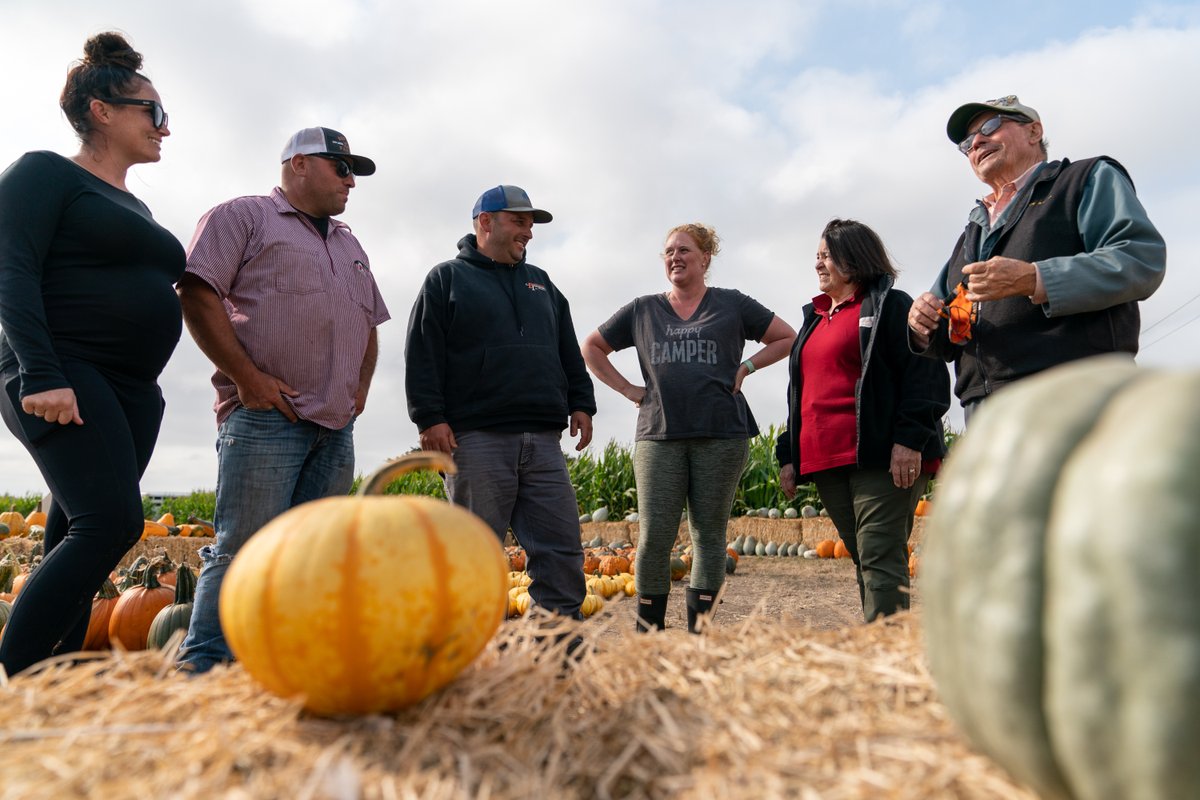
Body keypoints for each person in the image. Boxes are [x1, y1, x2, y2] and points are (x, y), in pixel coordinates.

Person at [0, 33, 183, 675]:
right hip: (62, 370)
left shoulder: (133, 204)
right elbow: (11, 269)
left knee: (73, 530)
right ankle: (17, 674)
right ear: (102, 110)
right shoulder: (43, 173)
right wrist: (43, 375)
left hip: (130, 389)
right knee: (110, 522)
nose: (166, 125)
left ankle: (65, 674)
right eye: (152, 111)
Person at [176, 127, 389, 673]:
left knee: (310, 556)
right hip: (267, 419)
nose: (349, 181)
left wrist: (360, 386)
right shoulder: (244, 217)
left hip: (334, 428)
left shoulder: (349, 242)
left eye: (353, 172)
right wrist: (245, 377)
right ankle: (205, 670)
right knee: (242, 548)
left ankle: (282, 665)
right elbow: (198, 292)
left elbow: (368, 323)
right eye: (339, 168)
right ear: (297, 164)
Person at [582, 223, 796, 633]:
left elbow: (786, 337)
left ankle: (700, 635)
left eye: (684, 250)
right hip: (659, 435)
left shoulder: (732, 304)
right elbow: (592, 345)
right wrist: (628, 388)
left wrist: (747, 366)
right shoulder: (643, 309)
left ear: (705, 258)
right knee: (654, 539)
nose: (675, 258)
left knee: (709, 536)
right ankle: (650, 634)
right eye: (668, 252)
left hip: (721, 435)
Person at [907, 95, 1166, 418]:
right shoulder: (971, 233)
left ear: (1034, 132)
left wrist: (1035, 278)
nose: (977, 143)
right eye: (968, 143)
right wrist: (923, 323)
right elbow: (947, 321)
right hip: (985, 412)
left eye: (990, 126)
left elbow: (1140, 259)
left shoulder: (1084, 180)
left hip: (1075, 392)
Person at [405, 185, 596, 621]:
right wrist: (429, 417)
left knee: (563, 554)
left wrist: (581, 402)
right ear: (485, 222)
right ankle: (473, 669)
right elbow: (422, 353)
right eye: (519, 220)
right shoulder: (446, 279)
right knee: (475, 555)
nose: (528, 231)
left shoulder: (542, 284)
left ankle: (555, 662)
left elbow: (567, 349)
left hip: (544, 442)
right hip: (477, 441)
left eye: (531, 223)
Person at [776, 219, 950, 622]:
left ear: (854, 259)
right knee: (864, 558)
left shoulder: (891, 306)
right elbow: (799, 394)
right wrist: (788, 454)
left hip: (880, 455)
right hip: (826, 461)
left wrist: (910, 439)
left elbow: (925, 372)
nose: (818, 264)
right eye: (817, 257)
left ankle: (886, 655)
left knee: (878, 552)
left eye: (827, 256)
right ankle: (878, 648)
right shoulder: (815, 318)